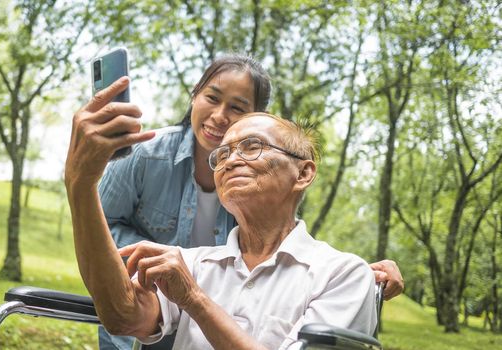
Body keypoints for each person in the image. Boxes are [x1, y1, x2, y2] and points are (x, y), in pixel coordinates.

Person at [80, 53, 403, 349]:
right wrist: (80, 183)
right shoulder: (147, 157)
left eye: (251, 146)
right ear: (195, 97)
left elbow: (279, 239)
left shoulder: (338, 273)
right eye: (222, 155)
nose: (231, 160)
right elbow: (124, 315)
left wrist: (193, 296)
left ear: (303, 174)